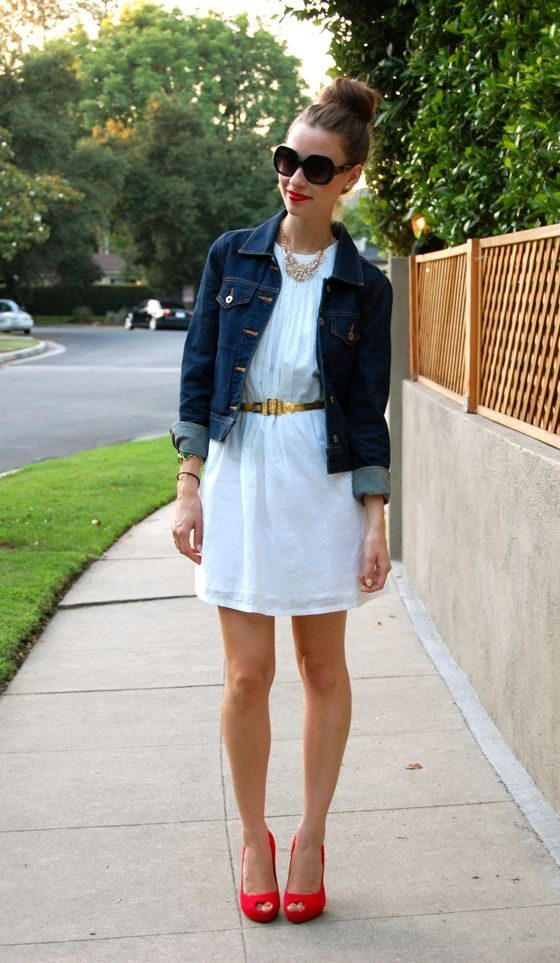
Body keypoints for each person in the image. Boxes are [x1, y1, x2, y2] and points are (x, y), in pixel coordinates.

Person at [170, 77, 393, 925]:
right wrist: (188, 485)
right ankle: (254, 839)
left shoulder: (365, 285)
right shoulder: (232, 255)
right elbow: (198, 373)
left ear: (350, 179)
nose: (295, 177)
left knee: (322, 668)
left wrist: (375, 517)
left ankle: (311, 837)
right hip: (242, 470)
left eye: (316, 167)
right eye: (287, 159)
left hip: (320, 477)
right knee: (246, 675)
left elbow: (367, 410)